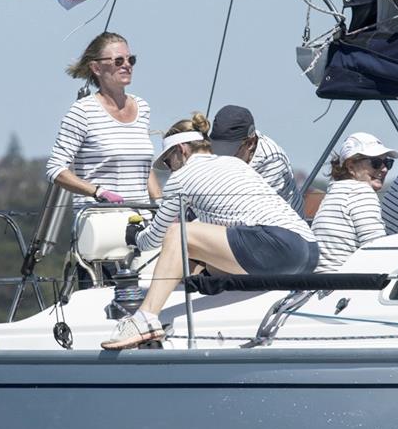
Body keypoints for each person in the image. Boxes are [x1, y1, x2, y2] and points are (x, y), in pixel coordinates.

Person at [101, 113, 318, 350]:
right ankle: (209, 284)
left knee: (178, 233)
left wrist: (134, 236)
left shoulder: (180, 178)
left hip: (275, 246)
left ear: (181, 150)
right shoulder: (234, 163)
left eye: (167, 161)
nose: (168, 168)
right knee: (196, 242)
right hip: (307, 250)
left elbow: (154, 239)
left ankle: (145, 320)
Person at [46, 32, 160, 207]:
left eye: (131, 60)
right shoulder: (82, 112)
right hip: (100, 220)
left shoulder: (142, 107)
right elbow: (55, 169)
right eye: (118, 61)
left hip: (142, 219)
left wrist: (162, 205)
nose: (127, 65)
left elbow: (144, 168)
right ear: (96, 68)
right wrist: (98, 191)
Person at [312, 132, 398, 272]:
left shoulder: (334, 192)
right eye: (376, 163)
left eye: (388, 163)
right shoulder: (361, 192)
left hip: (322, 284)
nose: (384, 169)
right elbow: (376, 250)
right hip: (346, 285)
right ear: (351, 167)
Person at [209, 105, 304, 217]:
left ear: (250, 144)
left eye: (229, 152)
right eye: (218, 149)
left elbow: (254, 210)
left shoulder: (272, 161)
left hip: (278, 226)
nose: (223, 158)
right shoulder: (225, 155)